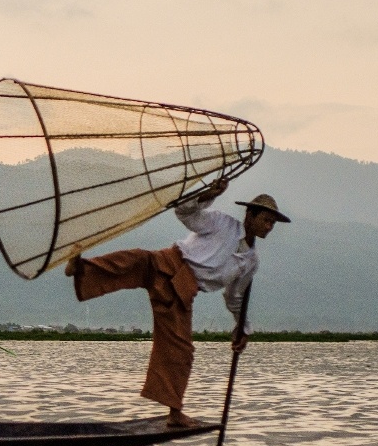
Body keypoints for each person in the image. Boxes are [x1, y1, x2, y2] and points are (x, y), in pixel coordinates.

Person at [63, 177, 289, 427]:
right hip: (169, 261)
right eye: (266, 220)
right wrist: (207, 194)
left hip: (182, 289)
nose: (269, 226)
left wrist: (242, 328)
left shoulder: (250, 261)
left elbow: (235, 297)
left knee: (181, 350)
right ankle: (81, 268)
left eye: (272, 223)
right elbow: (184, 211)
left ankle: (174, 412)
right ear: (250, 215)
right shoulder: (221, 222)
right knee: (134, 260)